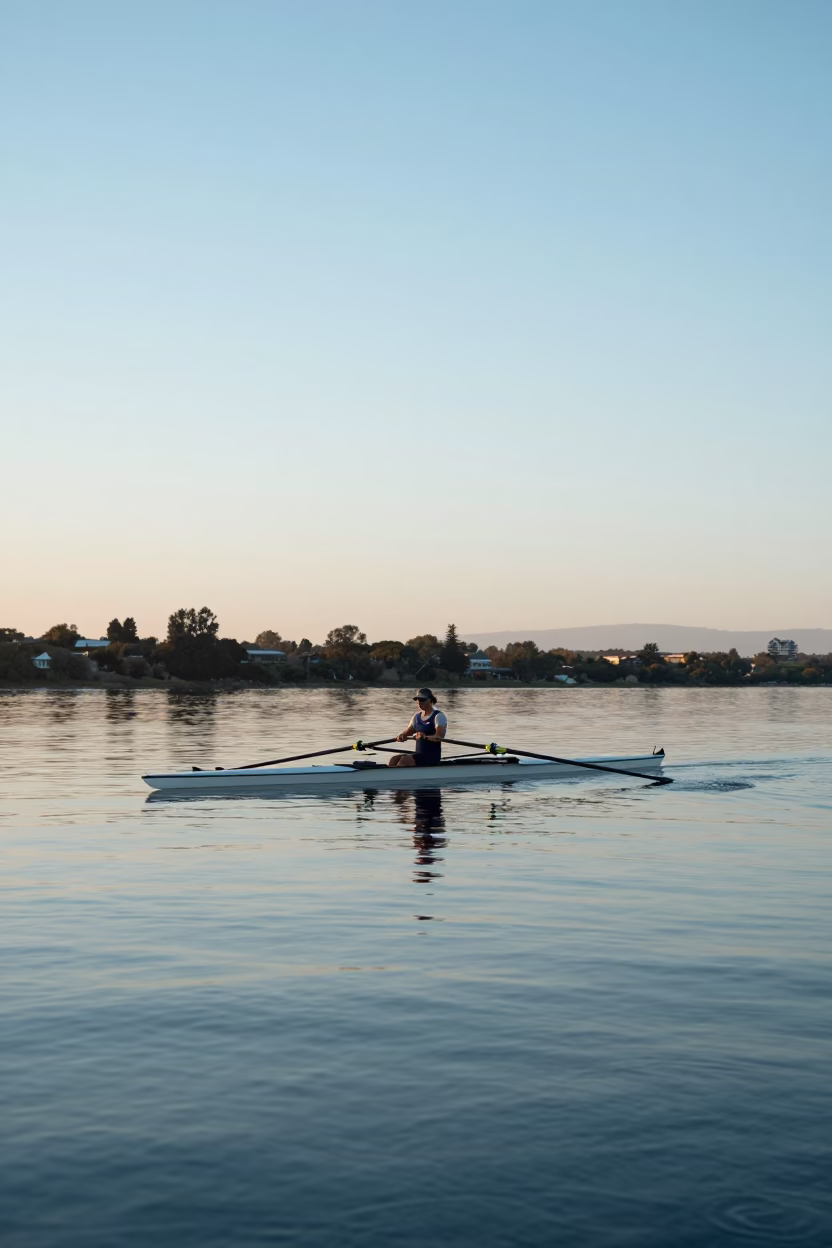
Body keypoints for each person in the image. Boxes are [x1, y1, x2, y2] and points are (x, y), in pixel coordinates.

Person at [388, 689, 448, 767]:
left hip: (432, 758)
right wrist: (401, 736)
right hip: (419, 755)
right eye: (417, 699)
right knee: (394, 759)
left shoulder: (438, 716)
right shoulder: (416, 717)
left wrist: (424, 737)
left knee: (405, 760)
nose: (419, 702)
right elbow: (408, 732)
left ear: (430, 700)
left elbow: (439, 737)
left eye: (422, 699)